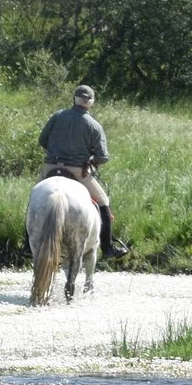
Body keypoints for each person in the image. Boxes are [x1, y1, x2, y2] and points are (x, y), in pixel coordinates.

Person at [40, 83, 129, 258]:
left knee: (34, 199)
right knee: (103, 201)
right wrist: (91, 160)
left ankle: (27, 245)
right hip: (77, 171)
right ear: (91, 102)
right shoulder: (94, 125)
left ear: (74, 98)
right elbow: (103, 157)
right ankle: (107, 247)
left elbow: (42, 140)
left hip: (50, 168)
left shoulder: (57, 116)